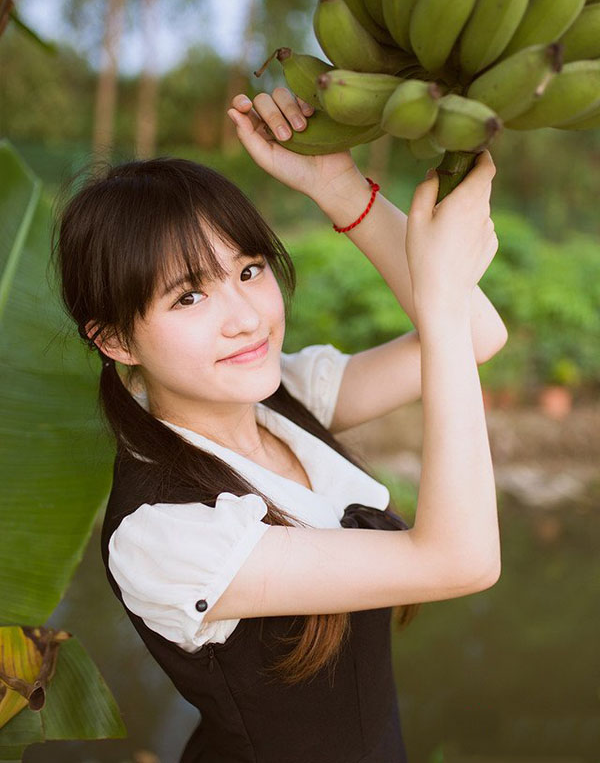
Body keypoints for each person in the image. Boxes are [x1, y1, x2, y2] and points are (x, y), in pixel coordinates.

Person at [50, 86, 506, 763]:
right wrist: (436, 290)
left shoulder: (281, 394)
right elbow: (459, 560)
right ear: (115, 339)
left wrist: (342, 187)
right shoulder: (164, 533)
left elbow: (473, 335)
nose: (247, 316)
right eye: (190, 295)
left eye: (250, 269)